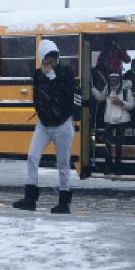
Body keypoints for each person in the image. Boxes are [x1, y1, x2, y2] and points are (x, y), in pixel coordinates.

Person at [12, 40, 80, 214]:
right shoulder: (37, 75)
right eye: (46, 60)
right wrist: (42, 114)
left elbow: (66, 95)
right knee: (32, 157)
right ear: (41, 60)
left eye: (53, 59)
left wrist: (52, 78)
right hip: (43, 125)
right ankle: (30, 198)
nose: (50, 64)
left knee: (63, 164)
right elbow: (36, 97)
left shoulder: (66, 72)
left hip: (63, 124)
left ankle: (64, 202)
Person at [92, 71, 135, 176]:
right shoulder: (107, 88)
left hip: (122, 120)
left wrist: (122, 103)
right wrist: (92, 89)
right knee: (108, 145)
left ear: (119, 79)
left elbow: (132, 104)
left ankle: (118, 167)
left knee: (119, 145)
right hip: (109, 119)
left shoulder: (126, 90)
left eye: (115, 79)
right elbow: (101, 98)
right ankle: (108, 166)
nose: (113, 81)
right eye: (112, 79)